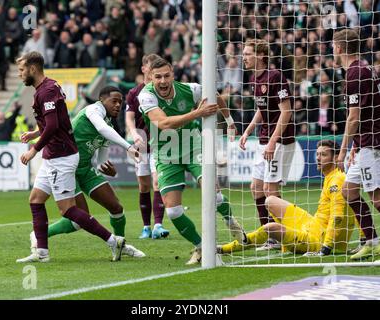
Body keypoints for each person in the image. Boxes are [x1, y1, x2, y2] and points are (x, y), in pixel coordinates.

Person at [15, 51, 125, 263]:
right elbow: (59, 121)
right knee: (36, 200)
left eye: (22, 70)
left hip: (61, 157)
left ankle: (113, 241)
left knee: (67, 209)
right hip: (53, 156)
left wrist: (33, 149)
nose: (20, 74)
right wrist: (35, 133)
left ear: (33, 68)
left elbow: (54, 126)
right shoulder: (49, 87)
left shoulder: (46, 91)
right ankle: (42, 253)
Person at [138, 58, 244, 265]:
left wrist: (230, 122)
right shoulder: (146, 96)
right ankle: (202, 246)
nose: (162, 81)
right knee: (173, 211)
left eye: (166, 76)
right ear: (150, 77)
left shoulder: (191, 89)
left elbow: (215, 97)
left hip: (194, 146)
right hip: (166, 154)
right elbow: (163, 123)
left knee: (212, 193)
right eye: (158, 77)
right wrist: (197, 113)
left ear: (173, 75)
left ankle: (231, 221)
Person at [29, 86, 145, 258]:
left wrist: (108, 169)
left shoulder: (110, 124)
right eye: (114, 101)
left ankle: (120, 245)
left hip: (85, 169)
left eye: (120, 102)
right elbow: (102, 129)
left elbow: (100, 160)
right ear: (101, 100)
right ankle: (40, 234)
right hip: (67, 167)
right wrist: (128, 147)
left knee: (116, 207)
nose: (118, 105)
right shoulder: (92, 110)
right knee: (79, 220)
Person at [219, 140, 356, 256]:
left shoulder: (337, 180)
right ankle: (283, 238)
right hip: (312, 224)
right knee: (270, 200)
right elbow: (358, 206)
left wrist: (326, 247)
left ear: (335, 157)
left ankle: (230, 247)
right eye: (318, 154)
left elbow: (337, 217)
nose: (318, 158)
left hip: (319, 239)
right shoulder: (330, 176)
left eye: (324, 155)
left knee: (270, 228)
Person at [238, 39, 295, 251]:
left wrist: (272, 142)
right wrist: (248, 130)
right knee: (256, 188)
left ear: (260, 56)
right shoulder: (253, 78)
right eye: (243, 53)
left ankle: (282, 236)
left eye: (248, 54)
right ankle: (269, 234)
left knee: (271, 191)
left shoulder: (275, 76)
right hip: (265, 139)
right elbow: (262, 109)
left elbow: (286, 111)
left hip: (279, 140)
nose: (244, 57)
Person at [333, 29, 380, 260]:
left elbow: (354, 117)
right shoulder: (367, 68)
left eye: (334, 46)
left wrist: (342, 151)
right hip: (364, 141)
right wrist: (355, 146)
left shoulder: (354, 73)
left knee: (377, 197)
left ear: (340, 48)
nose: (333, 50)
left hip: (371, 141)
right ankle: (372, 241)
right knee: (349, 190)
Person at [126, 53, 170, 239]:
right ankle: (146, 226)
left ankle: (158, 225)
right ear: (144, 69)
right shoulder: (134, 93)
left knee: (157, 182)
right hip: (142, 145)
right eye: (152, 69)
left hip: (160, 144)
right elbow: (129, 117)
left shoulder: (163, 90)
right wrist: (134, 134)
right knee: (143, 186)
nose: (156, 73)